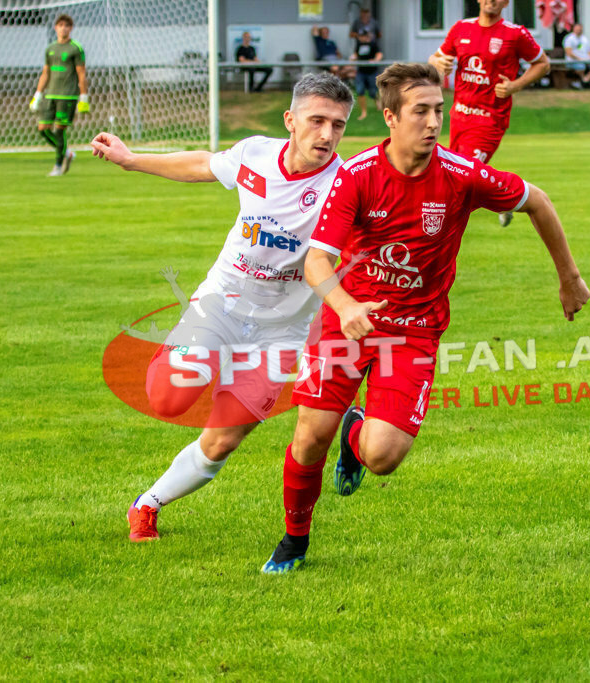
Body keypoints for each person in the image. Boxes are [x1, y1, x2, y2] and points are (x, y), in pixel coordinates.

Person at [260, 62, 590, 574]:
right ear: (391, 117)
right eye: (421, 111)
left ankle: (357, 435)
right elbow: (316, 260)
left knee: (383, 457)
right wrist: (345, 307)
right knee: (308, 438)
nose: (434, 121)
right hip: (348, 323)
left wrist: (569, 278)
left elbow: (538, 201)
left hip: (414, 331)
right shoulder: (356, 176)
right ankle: (293, 542)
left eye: (439, 109)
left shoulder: (461, 176)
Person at [89, 72, 355, 544]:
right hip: (223, 303)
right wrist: (131, 160)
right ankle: (189, 354)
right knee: (168, 399)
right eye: (317, 121)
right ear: (290, 120)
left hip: (282, 332)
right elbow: (202, 165)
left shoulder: (345, 184)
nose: (327, 134)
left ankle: (146, 503)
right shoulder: (255, 154)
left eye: (338, 125)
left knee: (220, 441)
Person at [428, 0, 550, 227]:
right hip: (459, 116)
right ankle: (506, 201)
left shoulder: (515, 34)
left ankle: (437, 233)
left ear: (505, 2)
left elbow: (543, 64)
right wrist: (438, 64)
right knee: (456, 175)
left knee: (460, 182)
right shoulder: (461, 28)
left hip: (490, 119)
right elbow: (435, 58)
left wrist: (515, 85)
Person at [29, 14, 88, 176]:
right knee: (42, 129)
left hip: (67, 95)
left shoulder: (76, 48)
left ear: (71, 28)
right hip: (50, 95)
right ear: (55, 27)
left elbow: (81, 74)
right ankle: (66, 152)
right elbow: (45, 73)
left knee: (60, 130)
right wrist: (38, 95)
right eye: (60, 25)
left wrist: (84, 97)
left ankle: (57, 166)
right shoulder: (50, 49)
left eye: (67, 25)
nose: (63, 28)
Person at [349, 23, 383, 120]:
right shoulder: (359, 44)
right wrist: (352, 58)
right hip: (361, 71)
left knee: (373, 91)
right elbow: (356, 54)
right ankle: (364, 112)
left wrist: (375, 60)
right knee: (360, 91)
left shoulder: (373, 44)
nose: (360, 37)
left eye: (362, 36)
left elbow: (379, 54)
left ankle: (377, 101)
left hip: (372, 71)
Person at [562, 23, 590, 89]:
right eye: (577, 29)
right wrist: (579, 58)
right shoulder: (569, 39)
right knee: (581, 67)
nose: (579, 30)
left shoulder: (585, 39)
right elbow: (569, 52)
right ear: (573, 29)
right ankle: (584, 83)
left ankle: (584, 80)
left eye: (580, 29)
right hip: (573, 61)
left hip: (586, 60)